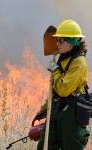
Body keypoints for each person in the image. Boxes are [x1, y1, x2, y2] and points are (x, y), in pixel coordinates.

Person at [34, 19, 91, 150]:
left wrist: (55, 70)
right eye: (57, 40)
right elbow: (54, 91)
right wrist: (43, 110)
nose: (57, 44)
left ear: (72, 43)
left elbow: (63, 90)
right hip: (57, 109)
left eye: (61, 40)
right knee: (45, 146)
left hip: (71, 115)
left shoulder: (79, 63)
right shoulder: (63, 58)